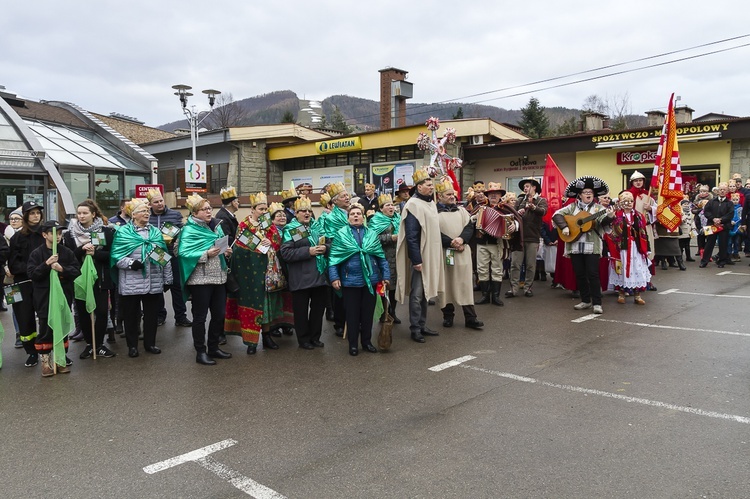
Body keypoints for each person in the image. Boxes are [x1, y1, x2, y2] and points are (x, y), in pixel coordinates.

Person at [224, 192, 293, 354]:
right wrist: (255, 249)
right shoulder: (244, 225)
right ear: (252, 209)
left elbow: (277, 242)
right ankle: (251, 342)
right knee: (251, 305)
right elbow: (238, 249)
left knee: (266, 306)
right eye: (261, 209)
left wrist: (271, 242)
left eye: (265, 209)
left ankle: (267, 336)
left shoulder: (269, 225)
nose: (264, 212)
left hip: (267, 273)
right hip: (249, 275)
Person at [111, 198, 173, 358]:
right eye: (143, 211)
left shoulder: (155, 232)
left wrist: (168, 279)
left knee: (152, 316)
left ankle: (150, 343)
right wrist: (131, 263)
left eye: (147, 211)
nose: (147, 213)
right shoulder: (124, 232)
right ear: (133, 215)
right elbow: (116, 257)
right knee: (131, 317)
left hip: (154, 282)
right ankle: (132, 346)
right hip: (131, 284)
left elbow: (164, 258)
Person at [177, 194, 233, 366]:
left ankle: (214, 347)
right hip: (200, 280)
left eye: (210, 208)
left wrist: (226, 252)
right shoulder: (188, 230)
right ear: (195, 212)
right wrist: (205, 254)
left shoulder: (216, 227)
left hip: (219, 277)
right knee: (200, 317)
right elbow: (183, 254)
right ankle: (200, 351)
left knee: (219, 315)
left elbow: (220, 245)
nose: (209, 211)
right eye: (205, 209)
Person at [329, 203, 390, 356]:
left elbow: (381, 257)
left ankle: (366, 342)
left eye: (358, 214)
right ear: (348, 218)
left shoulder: (371, 234)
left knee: (367, 314)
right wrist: (334, 277)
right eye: (352, 214)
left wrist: (386, 276)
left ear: (363, 218)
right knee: (352, 314)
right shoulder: (341, 234)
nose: (355, 216)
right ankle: (353, 344)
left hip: (370, 280)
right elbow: (333, 259)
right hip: (350, 281)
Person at [63, 199, 116, 359]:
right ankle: (89, 344)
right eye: (79, 213)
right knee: (83, 313)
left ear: (93, 214)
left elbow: (111, 255)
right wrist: (81, 250)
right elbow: (69, 256)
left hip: (100, 279)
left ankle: (99, 344)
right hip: (79, 279)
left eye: (85, 213)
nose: (81, 216)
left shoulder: (106, 231)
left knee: (101, 312)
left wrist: (95, 253)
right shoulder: (70, 234)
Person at [552, 176, 614, 314]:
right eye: (585, 192)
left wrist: (610, 216)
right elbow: (557, 215)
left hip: (592, 246)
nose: (588, 194)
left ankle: (597, 303)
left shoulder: (599, 208)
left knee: (593, 274)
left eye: (590, 192)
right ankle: (585, 300)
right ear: (579, 195)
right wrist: (564, 227)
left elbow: (604, 221)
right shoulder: (572, 207)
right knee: (579, 274)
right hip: (575, 246)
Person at [395, 169, 444, 343]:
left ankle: (422, 325)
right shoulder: (413, 205)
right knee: (417, 294)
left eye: (432, 185)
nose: (432, 187)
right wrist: (416, 260)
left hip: (429, 255)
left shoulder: (430, 203)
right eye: (429, 185)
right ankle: (415, 328)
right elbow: (412, 235)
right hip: (420, 257)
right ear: (419, 186)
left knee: (425, 293)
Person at [28, 220, 81, 377]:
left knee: (62, 326)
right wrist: (46, 264)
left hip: (63, 295)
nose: (58, 236)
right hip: (44, 297)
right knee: (45, 327)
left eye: (60, 233)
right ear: (45, 234)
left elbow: (76, 271)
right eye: (54, 233)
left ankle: (60, 359)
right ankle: (45, 361)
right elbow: (32, 274)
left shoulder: (67, 252)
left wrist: (62, 269)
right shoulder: (37, 253)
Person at [280, 197, 329, 349]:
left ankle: (315, 337)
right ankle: (303, 339)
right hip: (301, 277)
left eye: (309, 211)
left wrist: (326, 248)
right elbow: (286, 253)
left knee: (318, 310)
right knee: (301, 311)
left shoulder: (317, 227)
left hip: (320, 277)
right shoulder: (294, 229)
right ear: (296, 213)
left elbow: (329, 244)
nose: (307, 213)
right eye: (303, 211)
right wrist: (308, 251)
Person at [435, 179, 483, 330]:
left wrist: (461, 239)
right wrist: (451, 242)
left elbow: (469, 227)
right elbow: (434, 233)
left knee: (465, 284)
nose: (452, 197)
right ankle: (448, 316)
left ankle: (470, 318)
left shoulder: (462, 210)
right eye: (448, 194)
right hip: (446, 252)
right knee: (447, 284)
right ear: (439, 196)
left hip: (462, 252)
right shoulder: (433, 213)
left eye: (453, 194)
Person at [7, 200, 44, 367]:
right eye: (32, 213)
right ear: (25, 216)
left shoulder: (47, 233)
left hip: (43, 281)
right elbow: (14, 264)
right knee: (24, 318)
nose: (35, 215)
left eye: (38, 212)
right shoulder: (17, 237)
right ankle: (31, 352)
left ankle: (47, 349)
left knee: (46, 316)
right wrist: (31, 269)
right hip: (22, 283)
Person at [147, 188, 191, 327]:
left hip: (172, 255)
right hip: (155, 256)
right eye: (156, 202)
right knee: (158, 286)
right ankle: (160, 314)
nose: (160, 203)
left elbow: (183, 233)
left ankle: (180, 316)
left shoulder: (175, 215)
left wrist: (175, 235)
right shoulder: (147, 216)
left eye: (161, 200)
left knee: (176, 286)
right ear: (150, 204)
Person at [605, 191, 651, 305]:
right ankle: (621, 293)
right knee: (621, 269)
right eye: (626, 201)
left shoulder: (639, 216)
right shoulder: (616, 216)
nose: (629, 203)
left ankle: (637, 295)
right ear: (621, 203)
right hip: (622, 248)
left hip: (636, 248)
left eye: (631, 201)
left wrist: (647, 248)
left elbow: (644, 233)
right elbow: (610, 233)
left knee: (637, 269)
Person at [509, 177, 548, 298]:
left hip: (532, 237)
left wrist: (533, 207)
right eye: (524, 187)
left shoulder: (541, 200)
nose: (525, 188)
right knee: (515, 264)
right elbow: (511, 215)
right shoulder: (520, 200)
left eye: (527, 186)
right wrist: (517, 212)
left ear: (534, 187)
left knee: (531, 265)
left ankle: (527, 288)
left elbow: (543, 211)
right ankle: (514, 289)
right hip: (518, 237)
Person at [323, 182, 351, 337]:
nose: (347, 198)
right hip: (340, 259)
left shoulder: (354, 212)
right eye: (343, 196)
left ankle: (353, 321)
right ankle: (340, 323)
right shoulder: (332, 217)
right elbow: (331, 240)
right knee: (339, 293)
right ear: (335, 201)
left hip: (356, 259)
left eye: (347, 195)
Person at [368, 193, 401, 324]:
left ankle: (392, 312)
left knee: (394, 288)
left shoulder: (398, 218)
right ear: (381, 209)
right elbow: (371, 239)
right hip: (383, 259)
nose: (391, 207)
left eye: (392, 205)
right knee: (383, 287)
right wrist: (390, 238)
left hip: (397, 258)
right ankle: (383, 313)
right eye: (387, 205)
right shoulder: (375, 221)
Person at [475, 182, 508, 306]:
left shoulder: (505, 208)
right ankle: (484, 295)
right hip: (481, 242)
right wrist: (475, 219)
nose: (493, 196)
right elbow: (469, 219)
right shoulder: (480, 207)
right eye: (491, 194)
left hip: (497, 243)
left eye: (496, 194)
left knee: (497, 269)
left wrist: (512, 226)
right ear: (487, 196)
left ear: (500, 195)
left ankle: (495, 296)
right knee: (482, 269)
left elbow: (514, 222)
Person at [700, 183, 734, 268]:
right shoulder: (712, 202)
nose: (722, 191)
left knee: (723, 244)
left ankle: (722, 261)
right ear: (718, 191)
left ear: (727, 191)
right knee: (709, 243)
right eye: (721, 189)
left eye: (724, 190)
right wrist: (713, 219)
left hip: (723, 226)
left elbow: (730, 214)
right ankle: (704, 261)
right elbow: (706, 211)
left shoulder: (729, 203)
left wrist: (721, 219)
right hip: (712, 226)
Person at [4, 208, 23, 348]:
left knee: (29, 306)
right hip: (10, 278)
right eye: (12, 219)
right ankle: (18, 333)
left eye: (17, 219)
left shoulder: (27, 235)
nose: (14, 221)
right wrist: (6, 268)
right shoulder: (5, 236)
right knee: (15, 304)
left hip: (25, 276)